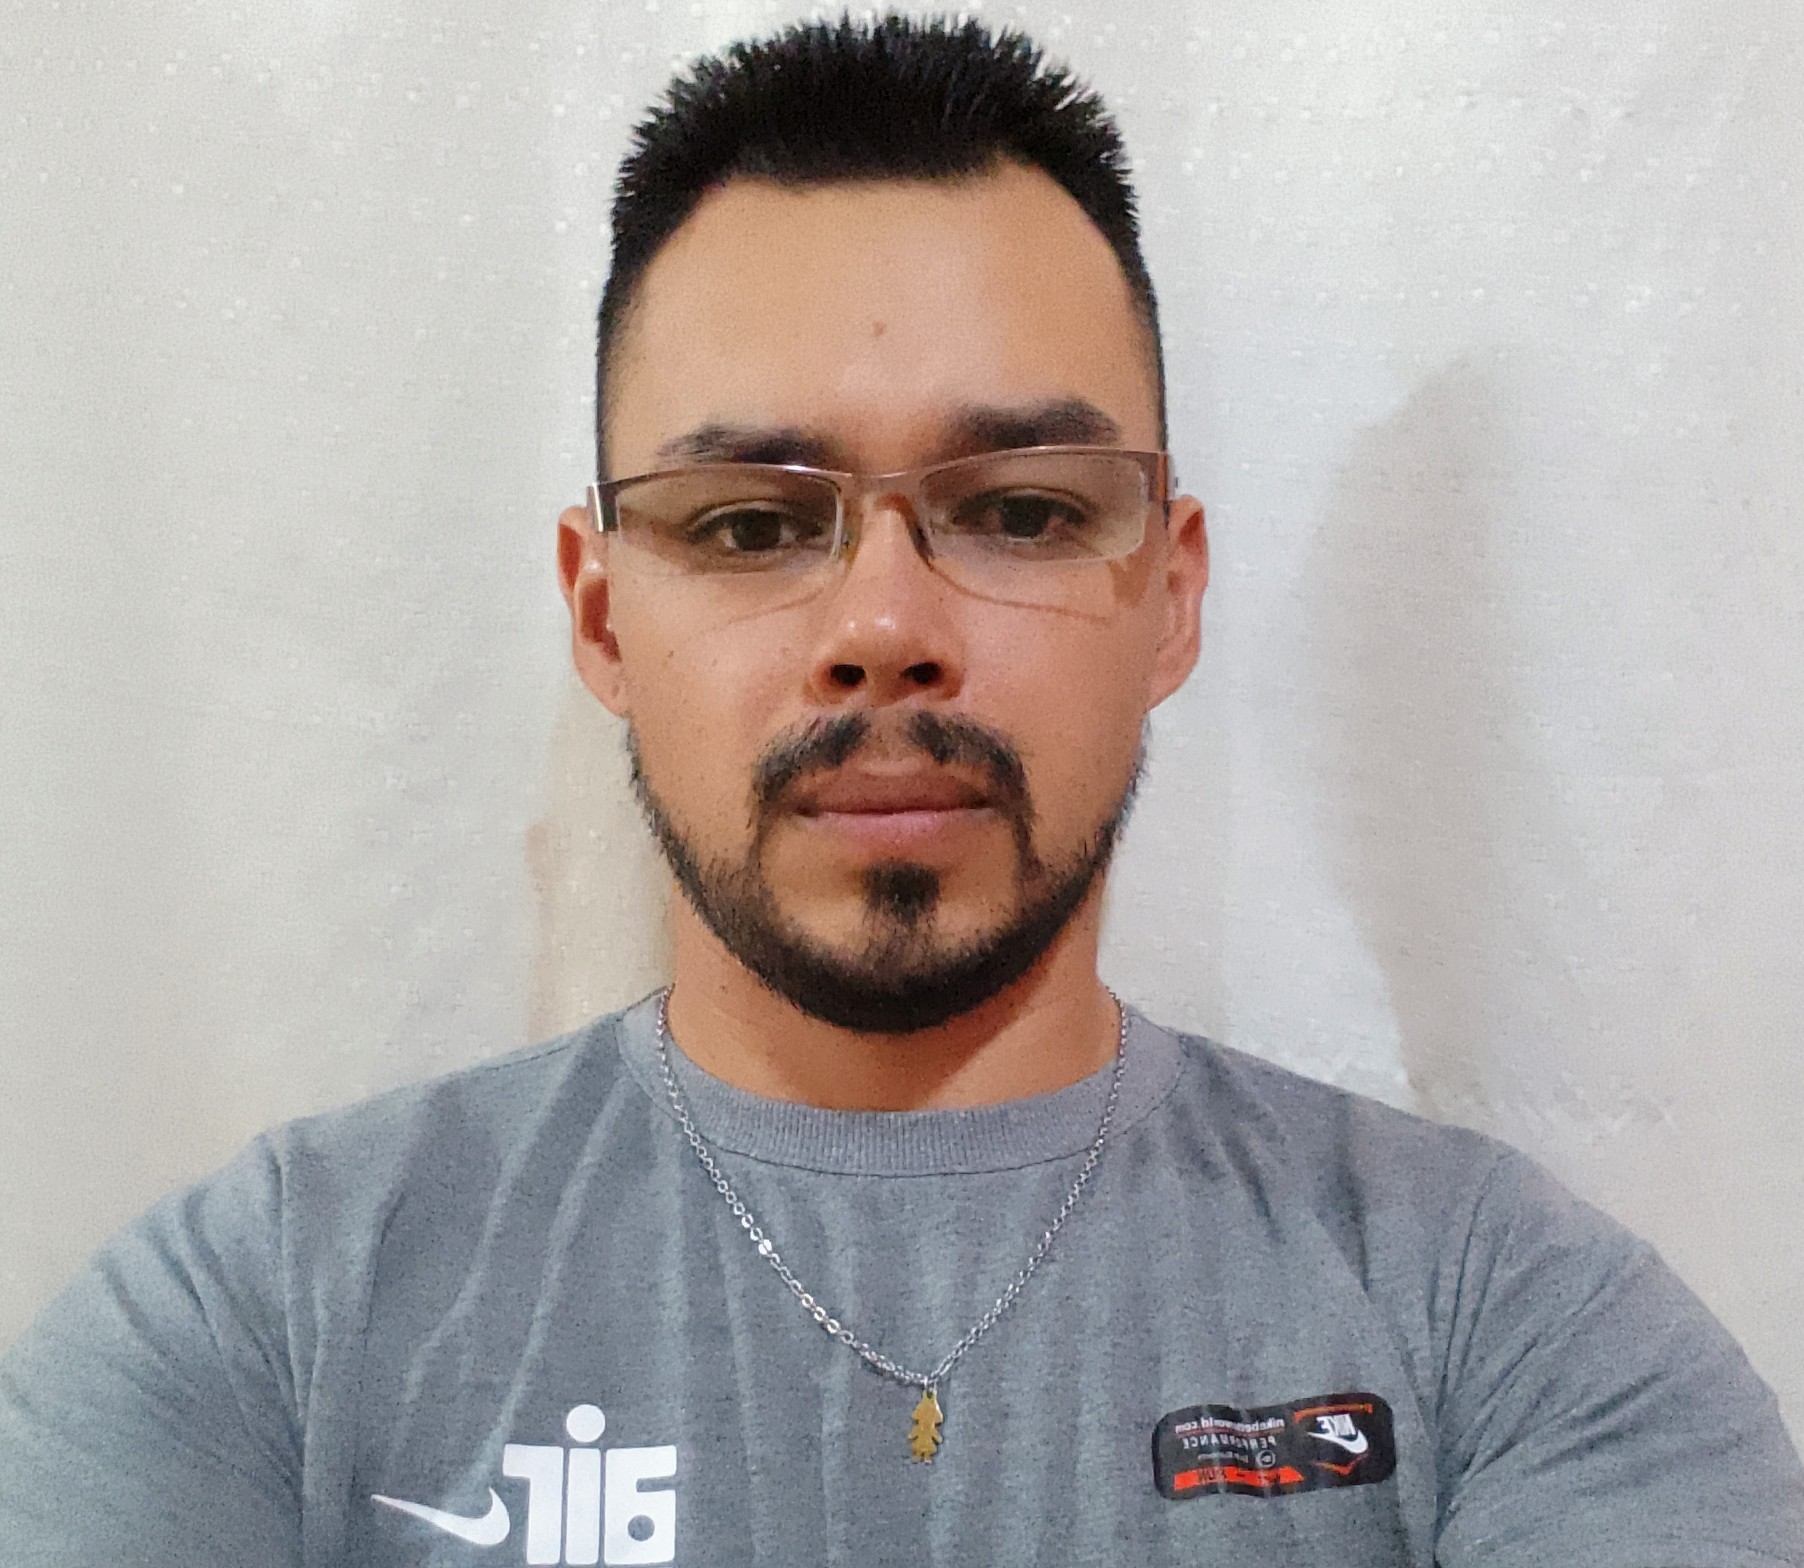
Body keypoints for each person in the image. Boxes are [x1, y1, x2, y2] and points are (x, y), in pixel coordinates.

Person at [2, 12, 1799, 1565]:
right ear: (603, 617)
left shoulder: (1511, 1332)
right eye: (750, 525)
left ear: (1170, 599)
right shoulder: (269, 1323)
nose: (882, 629)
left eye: (1018, 509)